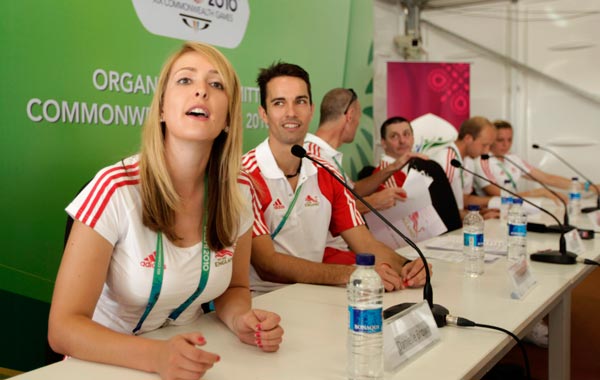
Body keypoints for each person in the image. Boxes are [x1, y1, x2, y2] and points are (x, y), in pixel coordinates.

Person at [48, 42, 283, 380]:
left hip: (186, 359)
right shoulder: (115, 188)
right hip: (101, 364)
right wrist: (157, 356)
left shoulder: (239, 191)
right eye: (185, 81)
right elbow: (62, 328)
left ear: (229, 117)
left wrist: (240, 320)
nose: (201, 90)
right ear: (160, 108)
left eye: (216, 85)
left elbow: (234, 289)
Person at [242, 62, 430, 294]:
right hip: (262, 301)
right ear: (264, 113)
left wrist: (408, 266)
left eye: (299, 101)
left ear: (311, 109)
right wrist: (354, 274)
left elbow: (365, 243)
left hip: (316, 294)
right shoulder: (246, 174)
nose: (291, 112)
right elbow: (266, 265)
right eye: (279, 103)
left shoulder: (326, 169)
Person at [304, 88, 418, 212]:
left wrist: (394, 166)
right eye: (359, 117)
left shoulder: (329, 156)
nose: (358, 123)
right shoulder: (312, 156)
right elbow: (318, 213)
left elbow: (353, 191)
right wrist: (371, 203)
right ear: (350, 116)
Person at [372, 116, 462, 232]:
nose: (402, 141)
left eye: (406, 134)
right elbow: (402, 219)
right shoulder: (383, 175)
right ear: (383, 143)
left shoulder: (423, 166)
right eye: (394, 136)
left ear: (413, 138)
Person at [474, 119, 576, 203]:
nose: (506, 145)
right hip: (495, 212)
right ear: (491, 140)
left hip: (514, 208)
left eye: (510, 140)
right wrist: (538, 193)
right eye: (500, 140)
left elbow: (547, 178)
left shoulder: (512, 158)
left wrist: (585, 186)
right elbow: (499, 196)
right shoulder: (483, 161)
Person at [430, 116, 498, 219]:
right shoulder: (448, 161)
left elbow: (463, 199)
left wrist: (481, 212)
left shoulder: (469, 160)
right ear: (468, 139)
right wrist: (479, 218)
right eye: (484, 145)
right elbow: (442, 208)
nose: (486, 151)